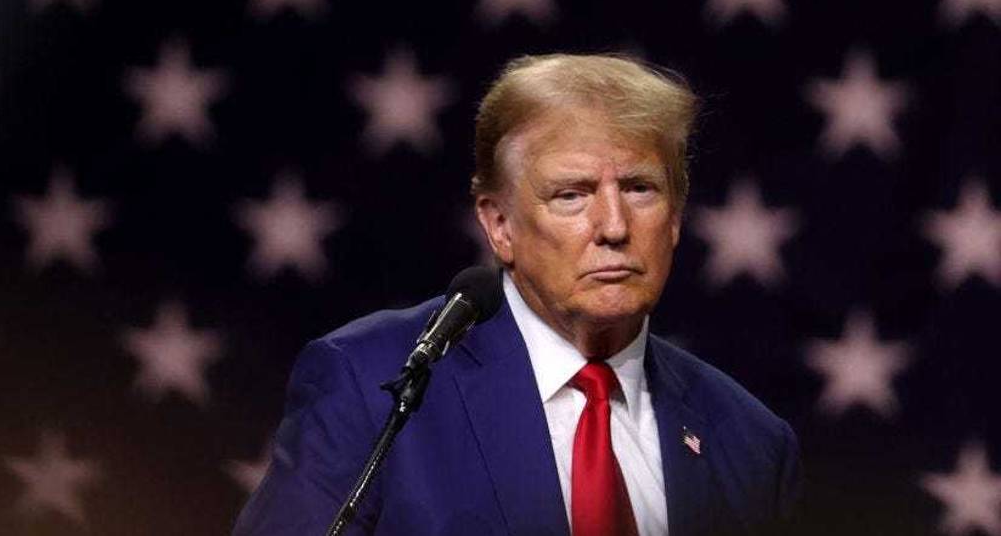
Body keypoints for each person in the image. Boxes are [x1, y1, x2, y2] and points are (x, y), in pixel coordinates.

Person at [233, 54, 801, 536]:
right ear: (500, 225)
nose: (613, 226)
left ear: (675, 218)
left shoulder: (750, 444)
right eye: (572, 194)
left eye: (639, 188)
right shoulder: (375, 386)